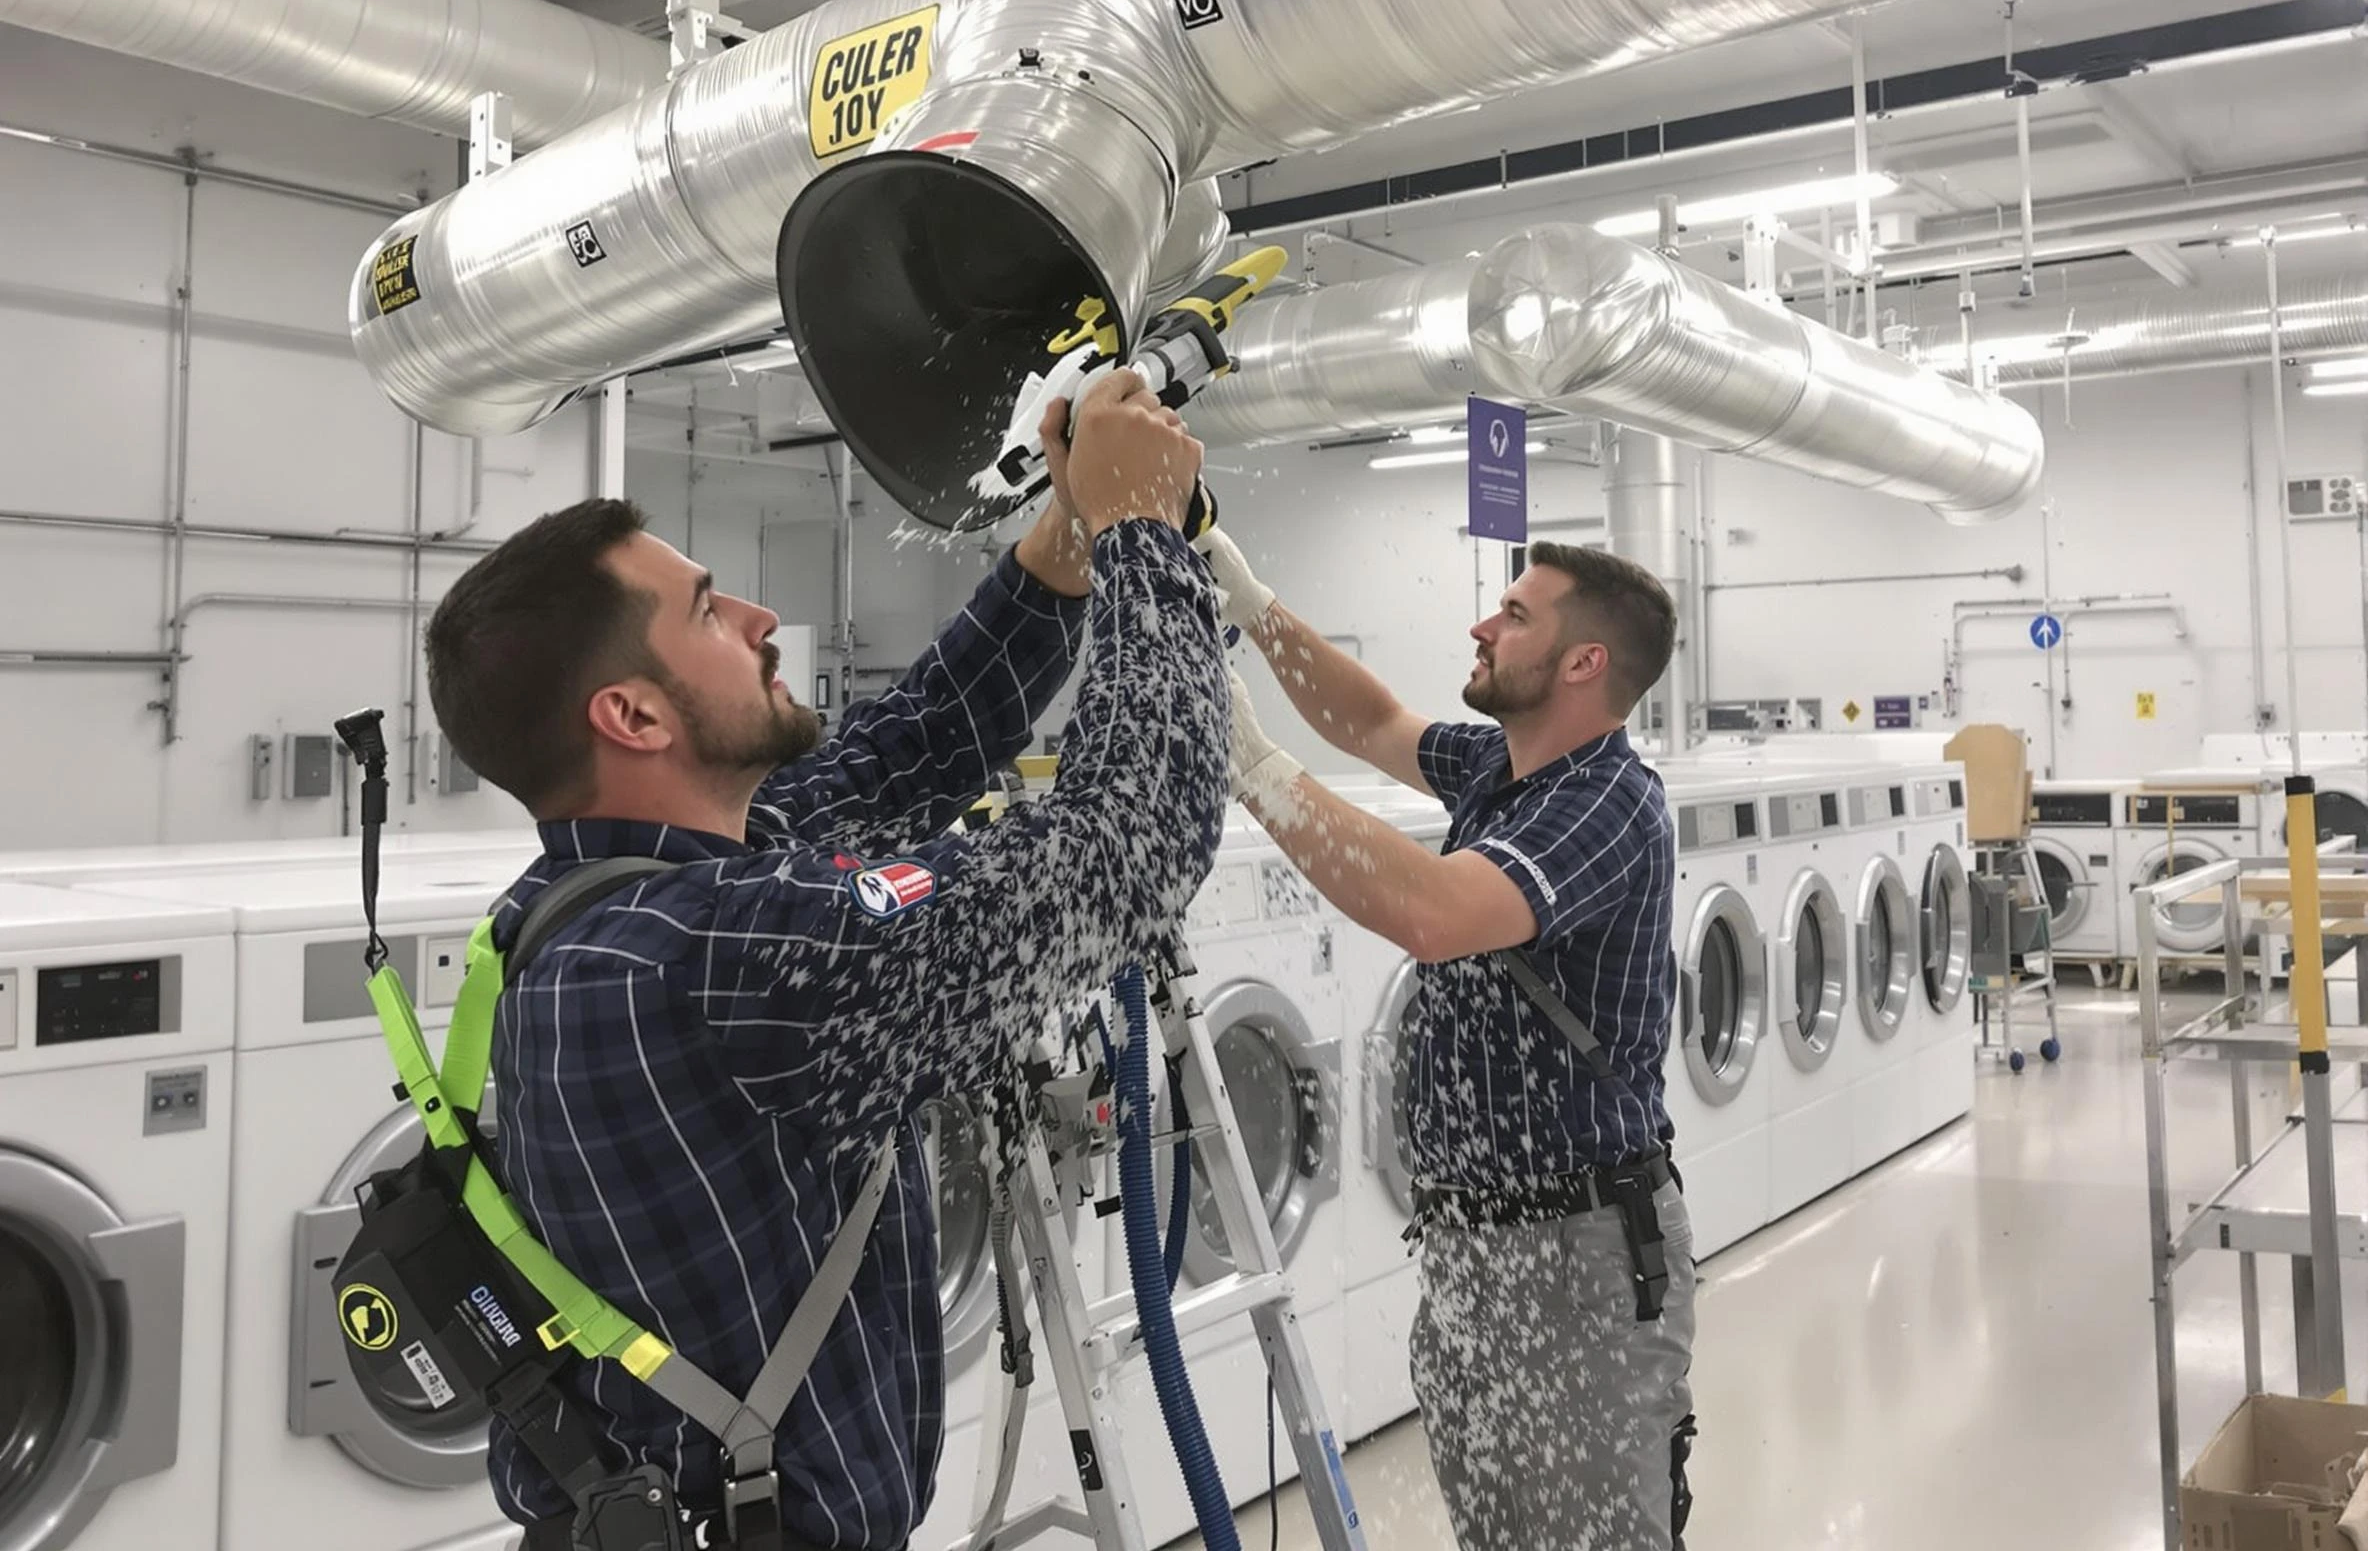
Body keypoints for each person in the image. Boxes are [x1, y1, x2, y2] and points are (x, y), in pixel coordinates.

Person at [421, 371, 1227, 1551]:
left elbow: (918, 744)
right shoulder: (726, 953)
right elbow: (1131, 844)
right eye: (704, 610)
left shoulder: (590, 902)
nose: (757, 617)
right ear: (634, 719)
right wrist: (1148, 535)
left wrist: (1072, 533)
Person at [1198, 528, 1697, 1551]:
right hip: (1469, 1246)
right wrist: (1248, 597)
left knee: (1590, 1536)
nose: (1481, 623)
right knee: (1497, 1530)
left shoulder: (1607, 802)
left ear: (1582, 662)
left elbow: (1434, 909)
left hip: (1578, 1259)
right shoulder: (1500, 769)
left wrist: (1253, 767)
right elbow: (1372, 721)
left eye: (1514, 615)